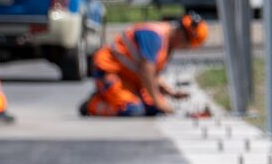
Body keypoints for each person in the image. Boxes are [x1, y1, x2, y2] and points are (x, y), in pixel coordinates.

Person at [78, 13, 206, 117]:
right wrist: (158, 101)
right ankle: (93, 104)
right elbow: (147, 70)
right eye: (186, 45)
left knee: (153, 110)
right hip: (110, 72)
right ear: (182, 35)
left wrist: (170, 92)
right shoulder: (155, 36)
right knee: (133, 110)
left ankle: (110, 96)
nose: (184, 48)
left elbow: (152, 74)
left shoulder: (167, 44)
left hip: (132, 79)